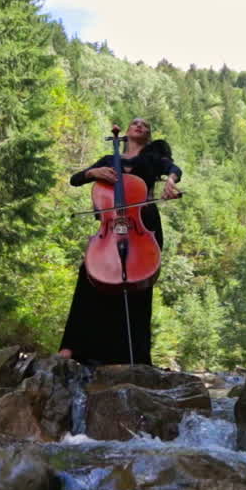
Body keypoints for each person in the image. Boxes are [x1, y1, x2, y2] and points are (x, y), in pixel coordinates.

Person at [58, 117, 182, 366]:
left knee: (139, 285)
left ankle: (135, 355)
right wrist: (92, 172)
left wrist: (170, 182)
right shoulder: (107, 161)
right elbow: (75, 179)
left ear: (147, 135)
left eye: (145, 125)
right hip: (110, 228)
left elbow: (174, 169)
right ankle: (72, 348)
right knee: (90, 278)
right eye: (135, 123)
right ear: (125, 132)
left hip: (142, 225)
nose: (140, 126)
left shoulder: (153, 158)